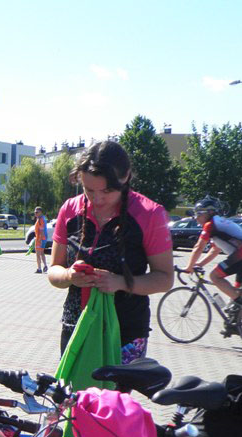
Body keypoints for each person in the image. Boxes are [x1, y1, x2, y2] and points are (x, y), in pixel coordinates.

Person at [48, 140, 173, 364]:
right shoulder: (70, 209)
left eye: (107, 190)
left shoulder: (150, 214)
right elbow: (53, 271)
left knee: (114, 400)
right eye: (88, 190)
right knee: (74, 399)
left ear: (125, 178)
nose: (97, 199)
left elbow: (164, 279)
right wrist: (69, 276)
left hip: (125, 331)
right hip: (76, 327)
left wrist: (120, 282)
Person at [184, 196, 242, 333]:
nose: (196, 217)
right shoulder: (218, 223)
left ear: (209, 212)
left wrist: (189, 267)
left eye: (198, 213)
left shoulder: (211, 225)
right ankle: (235, 326)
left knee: (215, 276)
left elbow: (199, 246)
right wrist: (199, 263)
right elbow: (215, 250)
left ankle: (240, 303)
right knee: (238, 292)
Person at [33, 206, 48, 273]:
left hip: (40, 239)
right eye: (35, 212)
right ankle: (45, 266)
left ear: (40, 212)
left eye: (37, 212)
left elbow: (41, 230)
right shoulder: (41, 218)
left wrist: (39, 239)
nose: (35, 214)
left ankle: (39, 269)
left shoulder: (40, 220)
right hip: (43, 238)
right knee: (42, 253)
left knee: (38, 254)